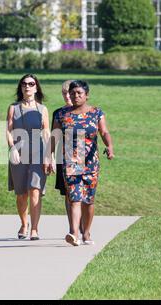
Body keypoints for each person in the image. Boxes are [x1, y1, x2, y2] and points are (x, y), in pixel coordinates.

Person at [53, 80, 114, 246]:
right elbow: (55, 137)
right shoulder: (62, 114)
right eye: (73, 93)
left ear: (86, 95)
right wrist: (47, 157)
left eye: (79, 93)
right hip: (71, 160)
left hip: (91, 161)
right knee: (74, 197)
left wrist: (109, 146)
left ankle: (86, 233)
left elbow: (104, 131)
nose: (76, 96)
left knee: (89, 200)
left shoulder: (96, 113)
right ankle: (74, 233)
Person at [6, 74, 50, 241]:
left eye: (31, 84)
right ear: (21, 87)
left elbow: (46, 132)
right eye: (24, 84)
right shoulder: (13, 108)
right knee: (21, 193)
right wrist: (12, 148)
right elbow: (9, 130)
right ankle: (24, 224)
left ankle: (35, 229)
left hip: (38, 153)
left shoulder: (42, 109)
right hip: (19, 154)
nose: (27, 86)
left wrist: (49, 155)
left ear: (36, 87)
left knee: (35, 191)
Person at [50, 80, 83, 235]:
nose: (68, 96)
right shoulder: (58, 113)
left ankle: (84, 227)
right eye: (65, 93)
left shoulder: (86, 112)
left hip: (81, 157)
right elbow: (54, 137)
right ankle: (73, 229)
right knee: (69, 194)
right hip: (62, 158)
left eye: (70, 93)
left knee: (80, 193)